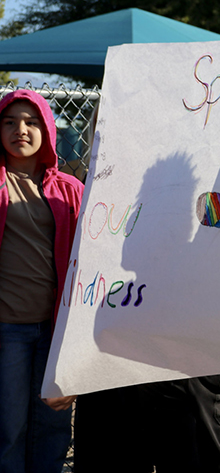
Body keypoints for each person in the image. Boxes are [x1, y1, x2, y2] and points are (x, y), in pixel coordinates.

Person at [0, 89, 84, 473]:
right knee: (9, 428)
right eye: (10, 121)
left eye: (32, 122)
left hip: (55, 330)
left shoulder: (70, 188)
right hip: (7, 331)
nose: (21, 129)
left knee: (53, 427)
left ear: (48, 130)